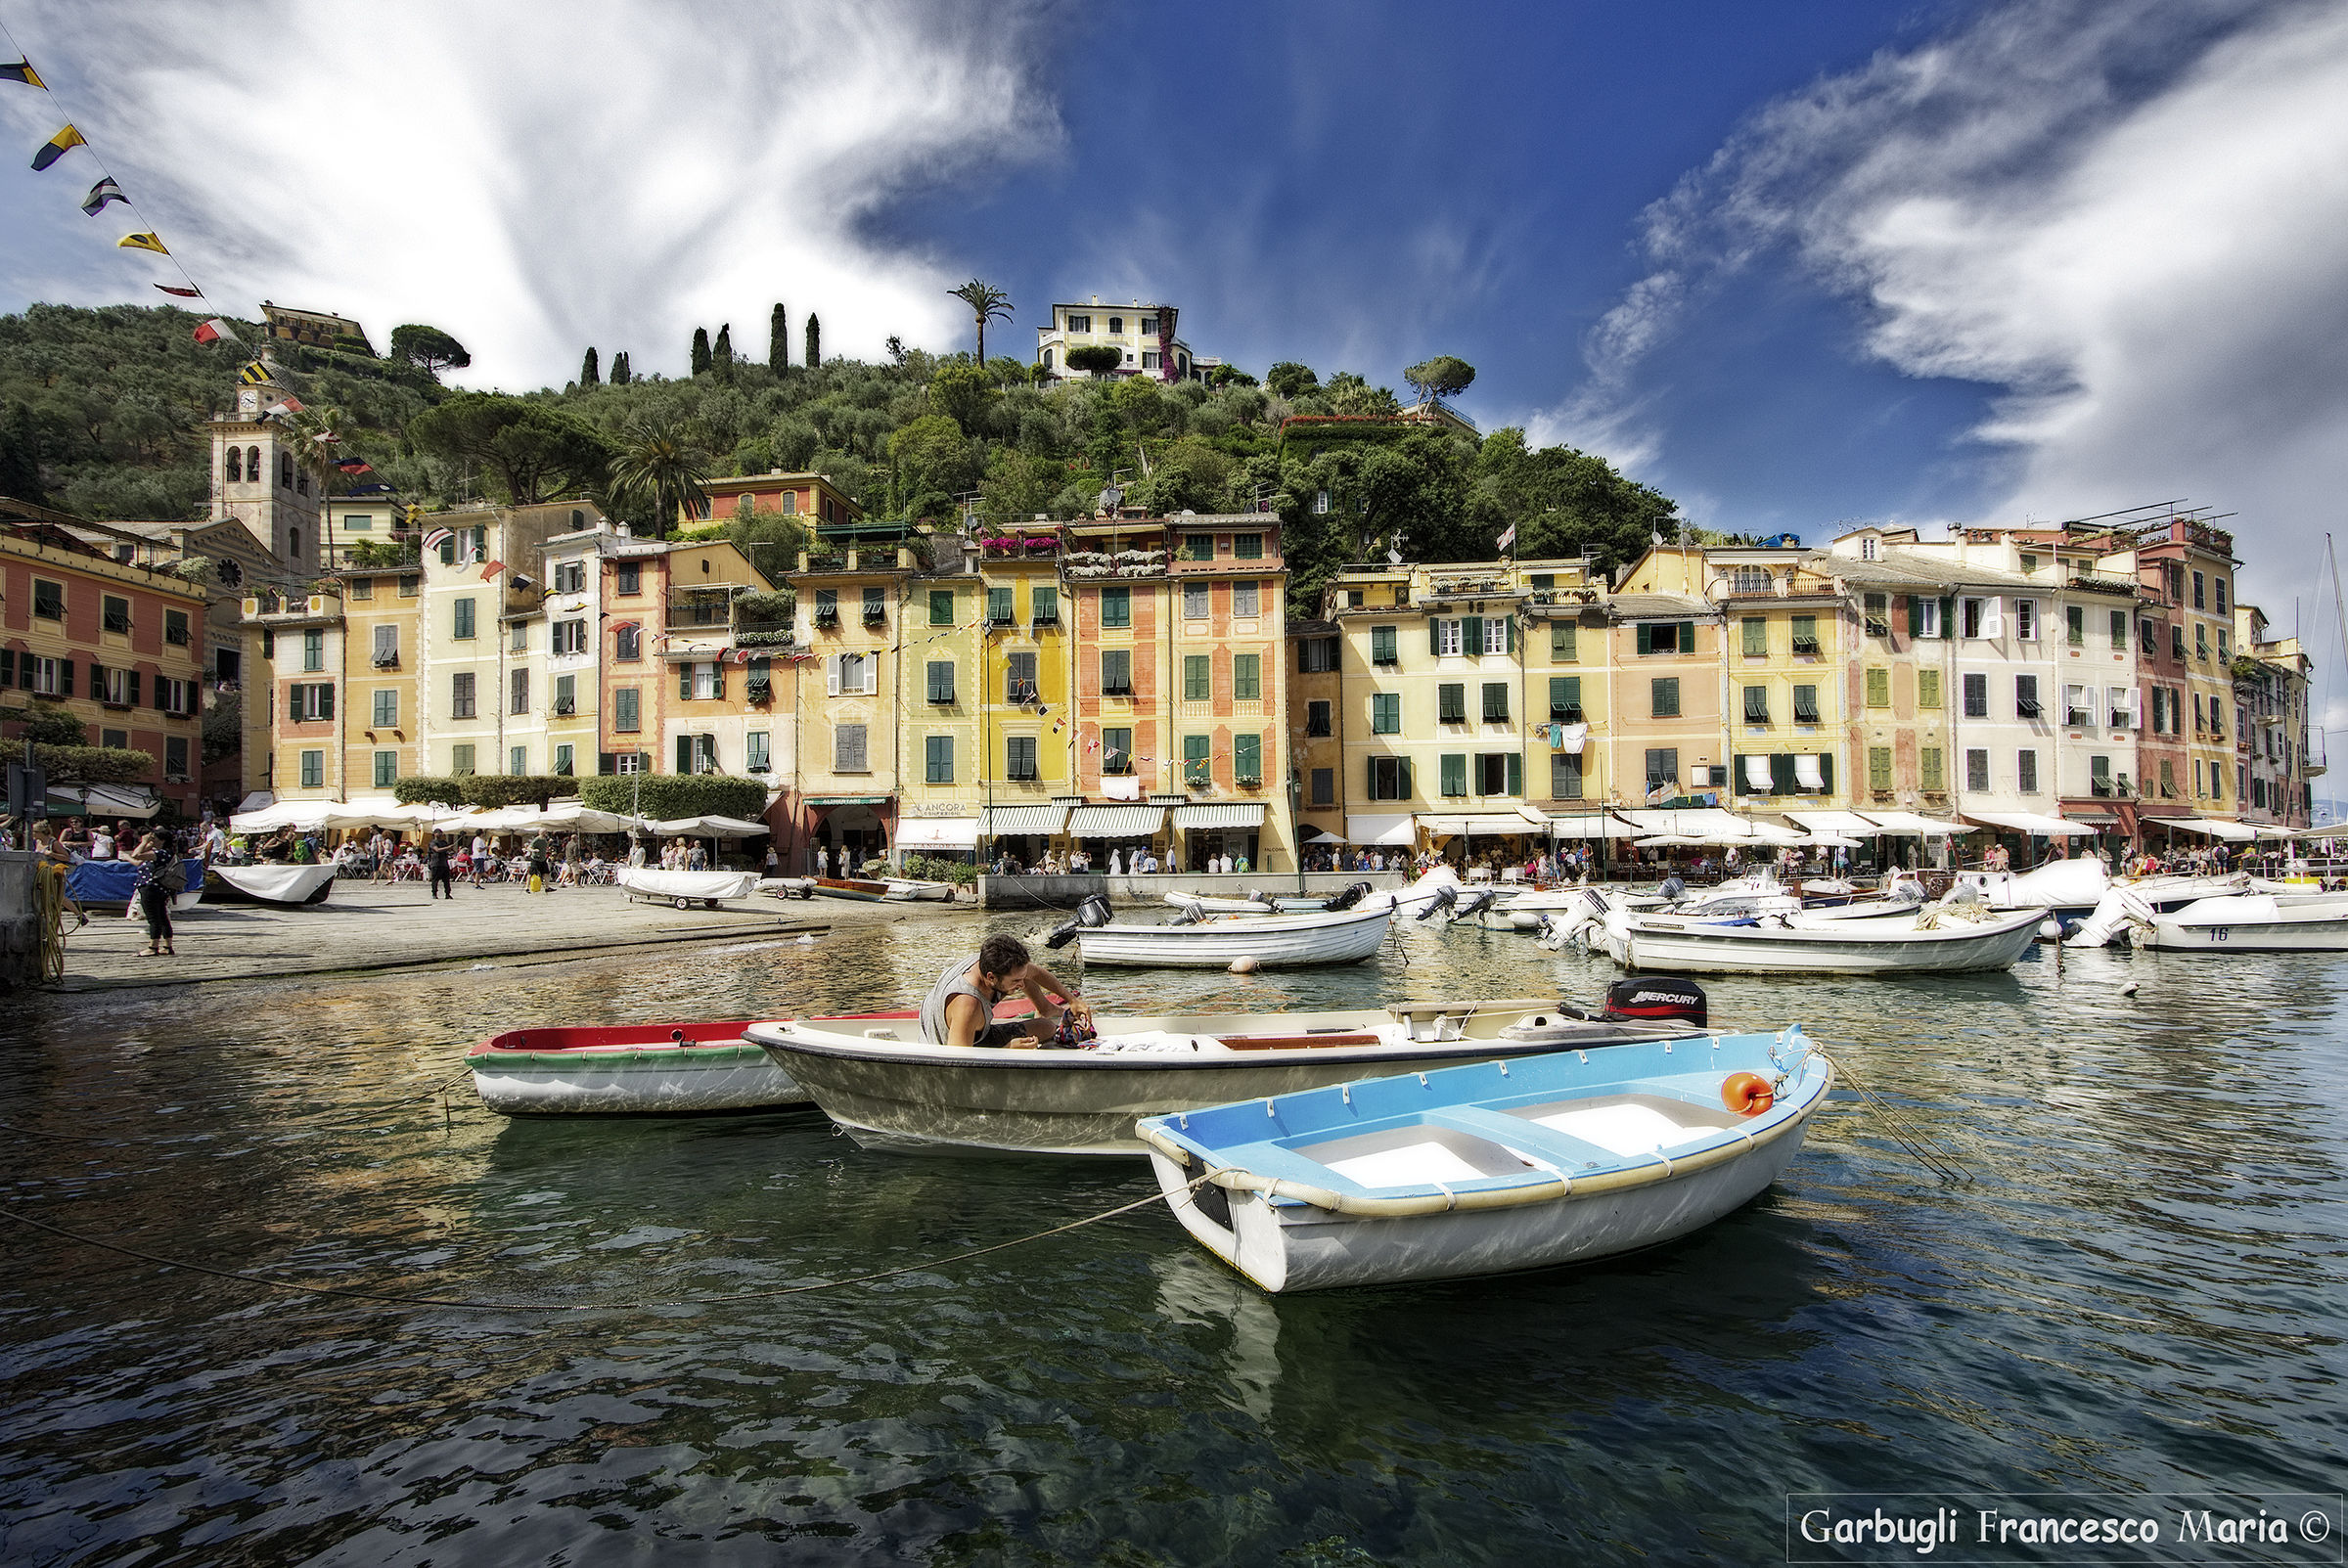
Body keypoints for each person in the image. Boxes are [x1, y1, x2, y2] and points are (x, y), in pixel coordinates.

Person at [920, 933, 1093, 1050]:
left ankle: (1044, 1008)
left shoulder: (990, 962)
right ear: (991, 977)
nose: (1021, 984)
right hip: (947, 1046)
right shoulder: (968, 1005)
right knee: (1045, 1030)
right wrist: (1008, 1049)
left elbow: (1036, 973)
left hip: (975, 1033)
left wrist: (1072, 1000)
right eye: (1016, 981)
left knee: (1047, 1027)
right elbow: (957, 1064)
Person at [127, 829, 178, 956]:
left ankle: (153, 947)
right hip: (161, 888)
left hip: (150, 888)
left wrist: (143, 843)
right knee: (162, 917)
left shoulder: (159, 853)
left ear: (162, 841)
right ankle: (167, 946)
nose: (151, 840)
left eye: (154, 838)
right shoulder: (168, 853)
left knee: (153, 918)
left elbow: (136, 855)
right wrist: (148, 845)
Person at [427, 831, 455, 900]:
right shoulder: (433, 843)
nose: (440, 834)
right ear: (434, 834)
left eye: (440, 833)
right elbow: (437, 850)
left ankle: (447, 893)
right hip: (436, 863)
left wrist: (450, 851)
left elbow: (448, 851)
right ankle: (434, 893)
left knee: (446, 880)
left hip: (444, 863)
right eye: (438, 833)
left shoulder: (444, 842)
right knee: (435, 880)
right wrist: (448, 848)